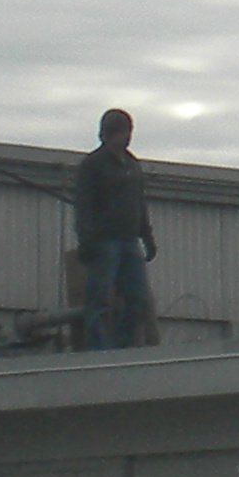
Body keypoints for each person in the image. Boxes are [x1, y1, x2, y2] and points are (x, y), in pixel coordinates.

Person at [71, 110, 158, 349]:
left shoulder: (133, 165)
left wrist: (147, 237)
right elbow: (84, 205)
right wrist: (86, 240)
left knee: (137, 298)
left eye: (129, 132)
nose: (127, 138)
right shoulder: (93, 165)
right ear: (108, 134)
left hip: (130, 241)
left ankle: (121, 345)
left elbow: (139, 204)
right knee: (99, 300)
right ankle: (98, 349)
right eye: (122, 132)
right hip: (103, 242)